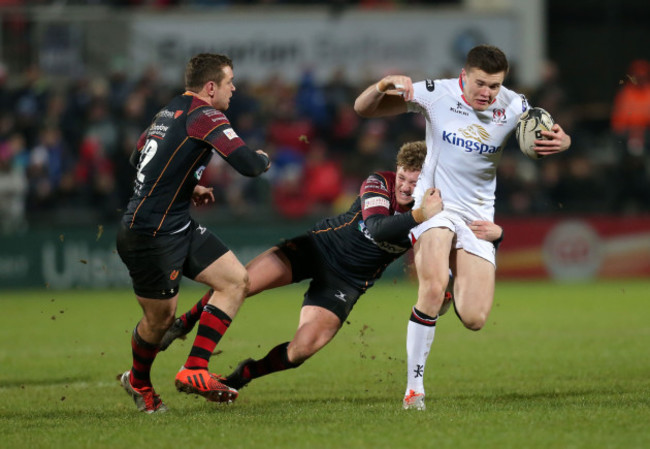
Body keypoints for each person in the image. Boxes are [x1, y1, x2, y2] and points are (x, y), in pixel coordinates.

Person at [161, 141, 502, 393]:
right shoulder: (378, 182)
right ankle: (183, 324)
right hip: (317, 248)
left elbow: (469, 245)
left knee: (301, 350)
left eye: (414, 182)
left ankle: (239, 377)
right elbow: (378, 228)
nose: (404, 186)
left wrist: (496, 237)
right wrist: (418, 215)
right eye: (402, 177)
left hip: (348, 281)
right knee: (242, 281)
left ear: (429, 183)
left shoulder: (436, 214)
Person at [353, 44, 571, 410]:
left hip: (478, 216)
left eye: (495, 86)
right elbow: (362, 110)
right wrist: (382, 85)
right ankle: (414, 390)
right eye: (481, 83)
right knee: (432, 286)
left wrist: (564, 141)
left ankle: (449, 292)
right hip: (435, 205)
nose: (487, 93)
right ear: (464, 76)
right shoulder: (436, 94)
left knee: (474, 318)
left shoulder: (516, 105)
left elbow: (553, 133)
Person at [116, 53, 271, 413]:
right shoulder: (205, 116)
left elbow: (136, 160)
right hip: (149, 233)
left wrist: (185, 187)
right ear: (211, 86)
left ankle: (195, 367)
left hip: (175, 222)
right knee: (159, 321)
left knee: (235, 280)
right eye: (230, 82)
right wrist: (263, 158)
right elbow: (247, 164)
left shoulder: (168, 110)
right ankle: (138, 382)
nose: (234, 89)